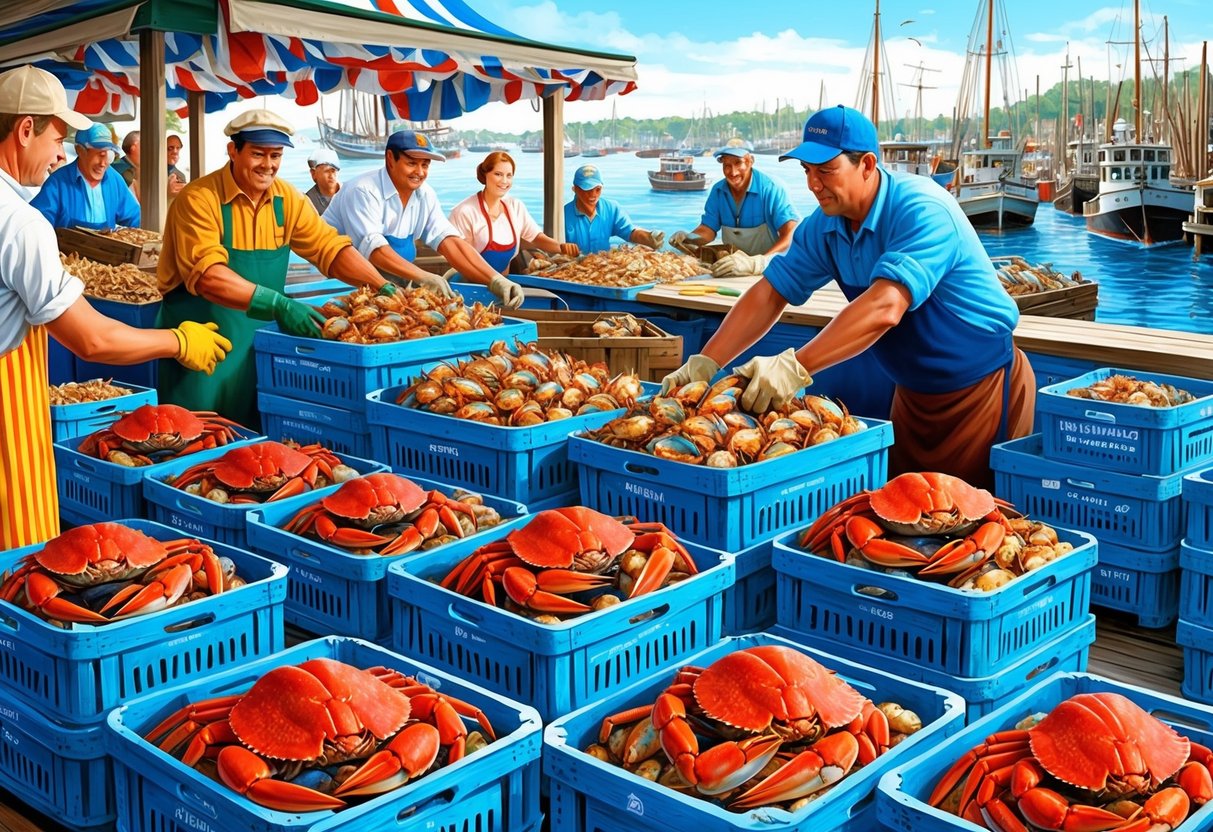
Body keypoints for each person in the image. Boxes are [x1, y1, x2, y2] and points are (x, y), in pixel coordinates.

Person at [661, 106, 1034, 488]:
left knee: (971, 522)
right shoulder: (824, 226)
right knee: (902, 514)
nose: (813, 184)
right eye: (807, 171)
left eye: (825, 170)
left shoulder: (922, 208)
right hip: (912, 396)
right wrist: (706, 361)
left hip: (982, 389)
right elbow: (770, 293)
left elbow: (886, 307)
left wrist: (794, 366)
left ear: (868, 164)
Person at [0, 64, 231, 548]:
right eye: (58, 138)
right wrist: (178, 340)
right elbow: (93, 338)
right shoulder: (20, 223)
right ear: (25, 130)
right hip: (7, 416)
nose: (60, 154)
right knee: (15, 561)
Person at [156, 109, 392, 429]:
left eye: (276, 155)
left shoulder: (288, 199)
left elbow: (330, 248)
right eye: (257, 154)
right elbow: (209, 276)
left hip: (262, 351)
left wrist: (381, 285)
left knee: (259, 447)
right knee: (192, 442)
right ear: (233, 151)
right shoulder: (198, 199)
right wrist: (280, 304)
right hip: (203, 352)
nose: (268, 164)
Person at [323, 130, 525, 307]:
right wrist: (423, 276)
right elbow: (375, 251)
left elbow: (449, 241)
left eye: (425, 165)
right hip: (338, 287)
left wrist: (495, 279)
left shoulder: (424, 194)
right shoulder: (363, 191)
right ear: (390, 159)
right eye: (411, 163)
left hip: (391, 287)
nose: (419, 172)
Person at [668, 146, 798, 276]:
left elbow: (791, 234)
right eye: (727, 165)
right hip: (733, 269)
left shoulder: (771, 188)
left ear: (750, 161)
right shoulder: (718, 191)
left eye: (738, 163)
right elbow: (708, 229)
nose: (733, 172)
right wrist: (689, 238)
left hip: (771, 269)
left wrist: (760, 262)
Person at [449, 150, 578, 274]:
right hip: (471, 286)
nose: (504, 181)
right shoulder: (465, 212)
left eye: (509, 175)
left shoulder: (515, 207)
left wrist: (561, 247)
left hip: (505, 286)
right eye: (498, 174)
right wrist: (494, 282)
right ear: (485, 175)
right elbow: (463, 260)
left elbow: (536, 238)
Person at [31, 122, 140, 229]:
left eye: (107, 155)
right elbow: (37, 224)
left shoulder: (114, 180)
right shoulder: (58, 183)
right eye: (98, 155)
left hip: (106, 247)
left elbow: (135, 217)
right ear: (79, 150)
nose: (103, 164)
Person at [563, 164, 664, 253]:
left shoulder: (612, 209)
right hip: (572, 268)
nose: (593, 195)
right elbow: (552, 245)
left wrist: (650, 237)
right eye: (587, 189)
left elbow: (630, 232)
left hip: (604, 266)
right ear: (575, 189)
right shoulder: (563, 215)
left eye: (597, 189)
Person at [304, 147, 340, 215]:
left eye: (333, 171)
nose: (331, 176)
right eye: (326, 171)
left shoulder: (349, 193)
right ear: (313, 173)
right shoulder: (307, 202)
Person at [166, 133, 187, 198]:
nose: (175, 151)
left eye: (178, 148)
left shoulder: (180, 176)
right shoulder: (153, 173)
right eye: (170, 148)